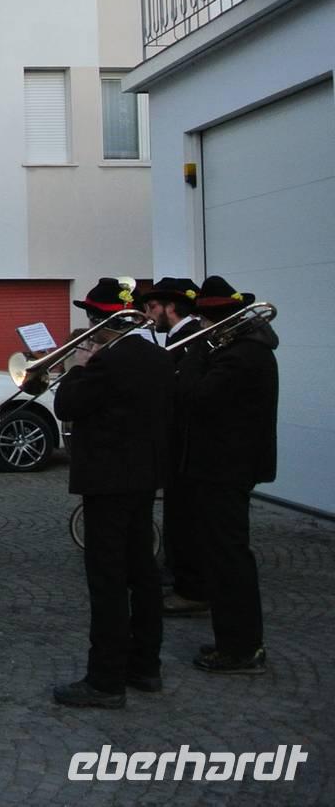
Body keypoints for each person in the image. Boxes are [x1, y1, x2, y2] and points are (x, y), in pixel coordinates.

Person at [49, 278, 172, 708]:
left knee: (107, 580)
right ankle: (145, 667)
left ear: (104, 320)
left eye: (91, 319)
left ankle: (105, 679)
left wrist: (78, 365)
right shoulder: (157, 356)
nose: (88, 327)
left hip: (106, 481)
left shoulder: (107, 361)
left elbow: (67, 406)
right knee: (143, 574)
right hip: (143, 478)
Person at [176, 276, 278, 675]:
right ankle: (235, 641)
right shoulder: (245, 351)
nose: (199, 327)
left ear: (213, 319)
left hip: (224, 468)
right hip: (224, 466)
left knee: (228, 557)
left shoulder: (240, 356)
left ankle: (240, 647)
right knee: (224, 554)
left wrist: (198, 350)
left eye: (202, 320)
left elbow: (196, 396)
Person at [139, 277, 207, 616]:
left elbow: (180, 394)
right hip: (178, 444)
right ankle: (179, 572)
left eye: (152, 307)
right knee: (178, 513)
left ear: (170, 307)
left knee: (186, 516)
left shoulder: (191, 340)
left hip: (186, 445)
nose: (149, 315)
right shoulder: (179, 338)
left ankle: (190, 583)